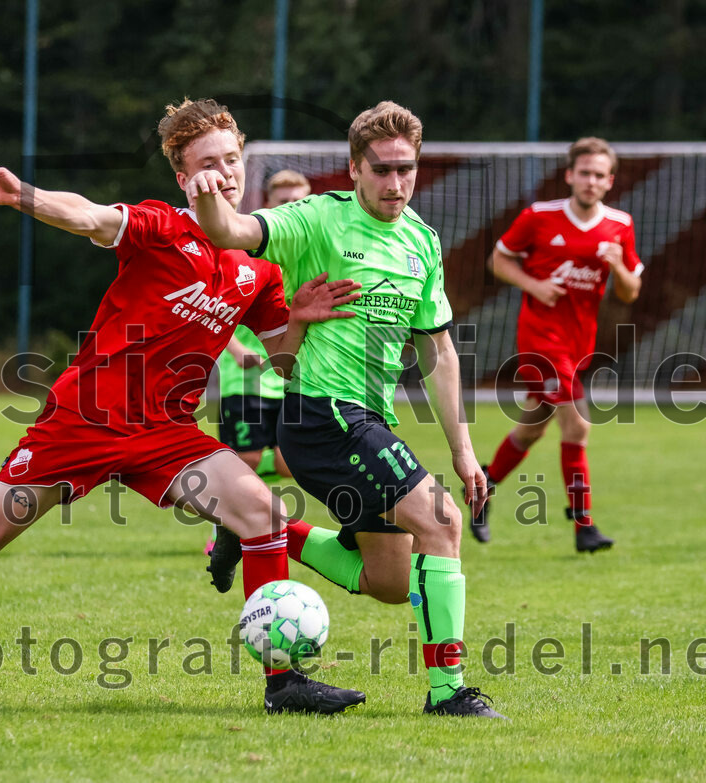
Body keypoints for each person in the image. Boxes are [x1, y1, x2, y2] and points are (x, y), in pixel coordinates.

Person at [0, 98, 366, 716]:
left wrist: (300, 320)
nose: (223, 172)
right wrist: (22, 195)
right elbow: (90, 217)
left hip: (166, 432)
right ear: (182, 177)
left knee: (263, 512)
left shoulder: (259, 265)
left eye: (231, 159)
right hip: (84, 420)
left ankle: (283, 684)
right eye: (207, 163)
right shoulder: (162, 227)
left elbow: (281, 360)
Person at [191, 101, 504, 718]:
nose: (395, 184)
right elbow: (231, 233)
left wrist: (464, 450)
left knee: (390, 581)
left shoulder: (421, 242)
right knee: (442, 523)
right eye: (381, 170)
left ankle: (257, 528)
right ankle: (449, 694)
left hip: (366, 421)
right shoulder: (317, 220)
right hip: (323, 415)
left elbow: (438, 350)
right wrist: (208, 192)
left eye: (406, 170)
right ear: (355, 168)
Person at [472, 137, 643, 552]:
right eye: (584, 173)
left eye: (599, 175)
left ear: (609, 181)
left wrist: (617, 265)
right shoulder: (539, 216)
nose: (591, 181)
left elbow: (630, 292)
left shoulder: (619, 225)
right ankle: (584, 527)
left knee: (531, 429)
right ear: (569, 175)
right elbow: (497, 261)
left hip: (577, 344)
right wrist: (534, 285)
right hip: (540, 340)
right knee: (578, 424)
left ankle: (481, 488)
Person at [205, 172, 312, 581]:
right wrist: (235, 349)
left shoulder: (309, 252)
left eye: (299, 200)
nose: (291, 206)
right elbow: (213, 303)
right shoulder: (244, 244)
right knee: (242, 461)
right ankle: (228, 526)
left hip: (288, 379)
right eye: (283, 200)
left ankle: (242, 517)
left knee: (291, 461)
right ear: (267, 201)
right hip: (245, 381)